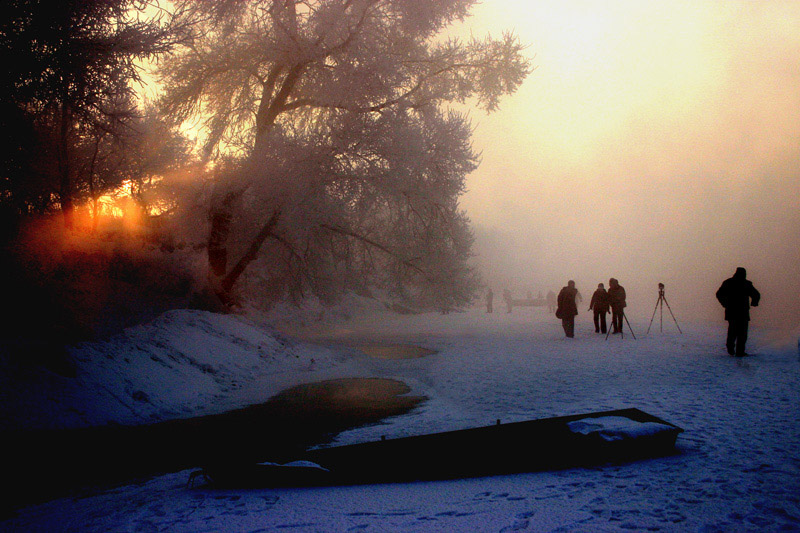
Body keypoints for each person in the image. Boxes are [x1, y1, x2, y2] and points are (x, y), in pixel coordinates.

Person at [715, 267, 760, 356]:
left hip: (732, 311)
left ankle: (732, 349)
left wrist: (724, 303)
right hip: (741, 312)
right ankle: (738, 351)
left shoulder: (728, 282)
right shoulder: (746, 284)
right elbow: (756, 294)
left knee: (733, 331)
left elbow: (719, 294)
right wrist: (754, 302)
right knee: (741, 333)